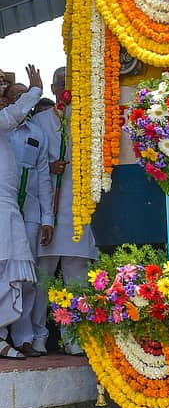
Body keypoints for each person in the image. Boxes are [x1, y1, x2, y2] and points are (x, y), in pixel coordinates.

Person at [34, 67, 98, 353]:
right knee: (41, 279)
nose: (65, 88)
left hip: (77, 208)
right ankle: (37, 337)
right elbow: (28, 164)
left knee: (77, 275)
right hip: (46, 208)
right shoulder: (39, 121)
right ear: (52, 87)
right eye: (61, 83)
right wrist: (48, 167)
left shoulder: (85, 120)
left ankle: (74, 339)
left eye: (70, 83)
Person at [6, 82, 54, 356]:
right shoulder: (3, 129)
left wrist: (47, 217)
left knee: (29, 276)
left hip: (31, 213)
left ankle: (24, 338)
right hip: (4, 209)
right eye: (14, 97)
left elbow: (44, 176)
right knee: (4, 273)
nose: (19, 101)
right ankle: (2, 336)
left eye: (24, 97)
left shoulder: (37, 132)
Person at [0, 64, 43, 359]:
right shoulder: (5, 118)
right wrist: (36, 90)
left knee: (8, 268)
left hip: (8, 205)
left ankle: (2, 335)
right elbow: (13, 115)